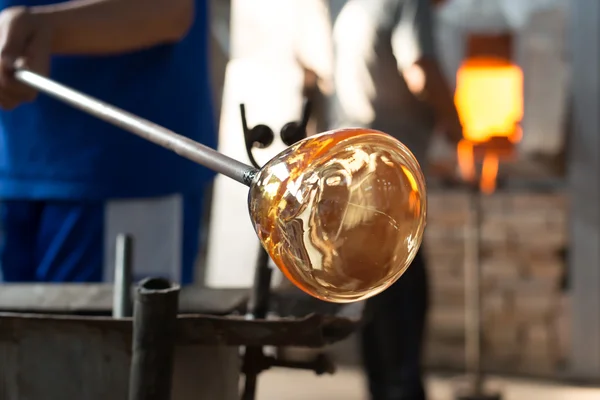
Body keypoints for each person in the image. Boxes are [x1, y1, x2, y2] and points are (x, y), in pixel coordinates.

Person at [0, 0, 216, 284]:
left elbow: (168, 9)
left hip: (120, 171)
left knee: (113, 328)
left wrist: (44, 28)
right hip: (12, 163)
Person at [330, 0, 462, 399]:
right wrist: (458, 123)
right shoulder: (408, 2)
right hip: (387, 171)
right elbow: (421, 70)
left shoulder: (356, 7)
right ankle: (403, 390)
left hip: (351, 164)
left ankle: (384, 387)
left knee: (374, 289)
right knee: (403, 289)